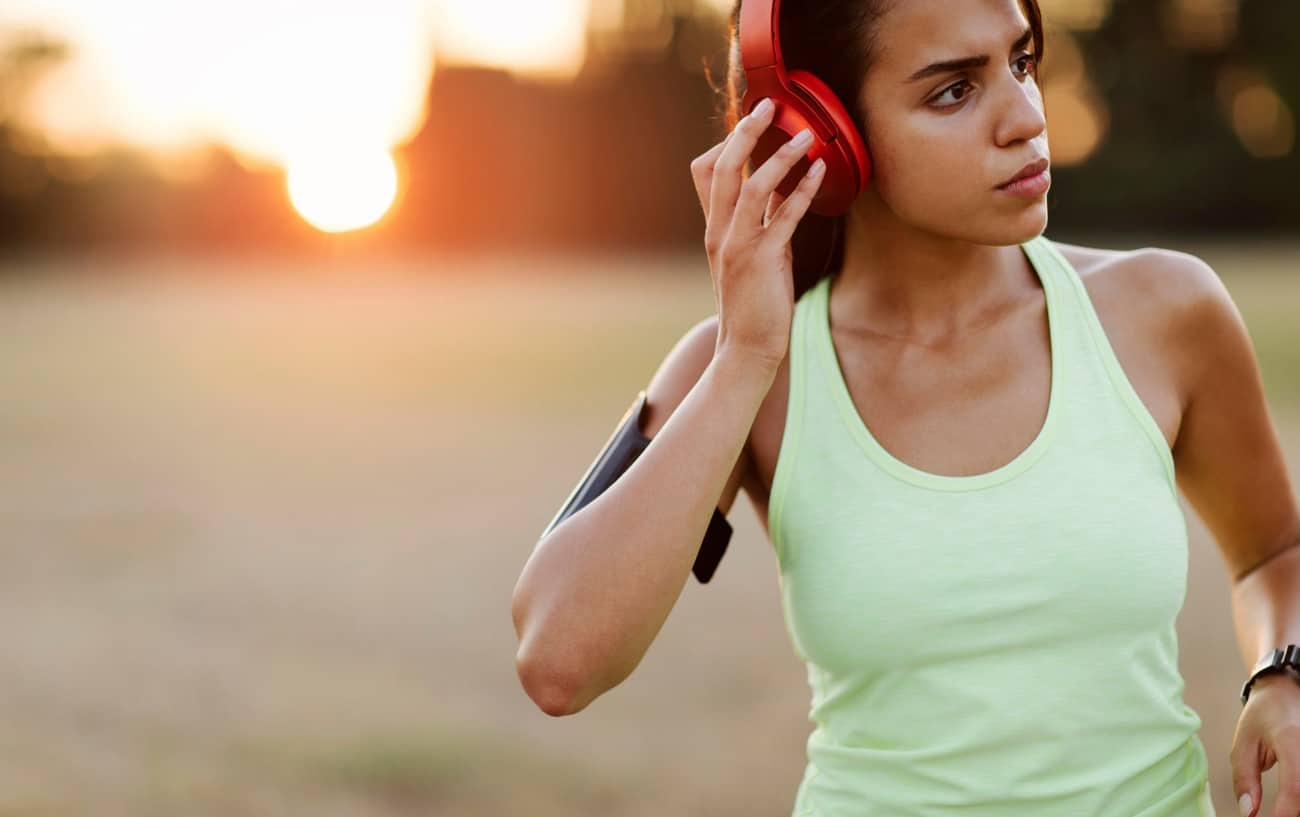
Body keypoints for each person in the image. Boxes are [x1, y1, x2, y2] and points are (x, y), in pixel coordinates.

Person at [511, 2, 1300, 816]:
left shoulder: (1165, 310)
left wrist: (1286, 670)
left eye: (1021, 63)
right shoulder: (748, 370)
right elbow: (558, 662)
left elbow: (1275, 550)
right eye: (954, 91)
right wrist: (745, 358)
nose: (1028, 119)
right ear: (822, 133)